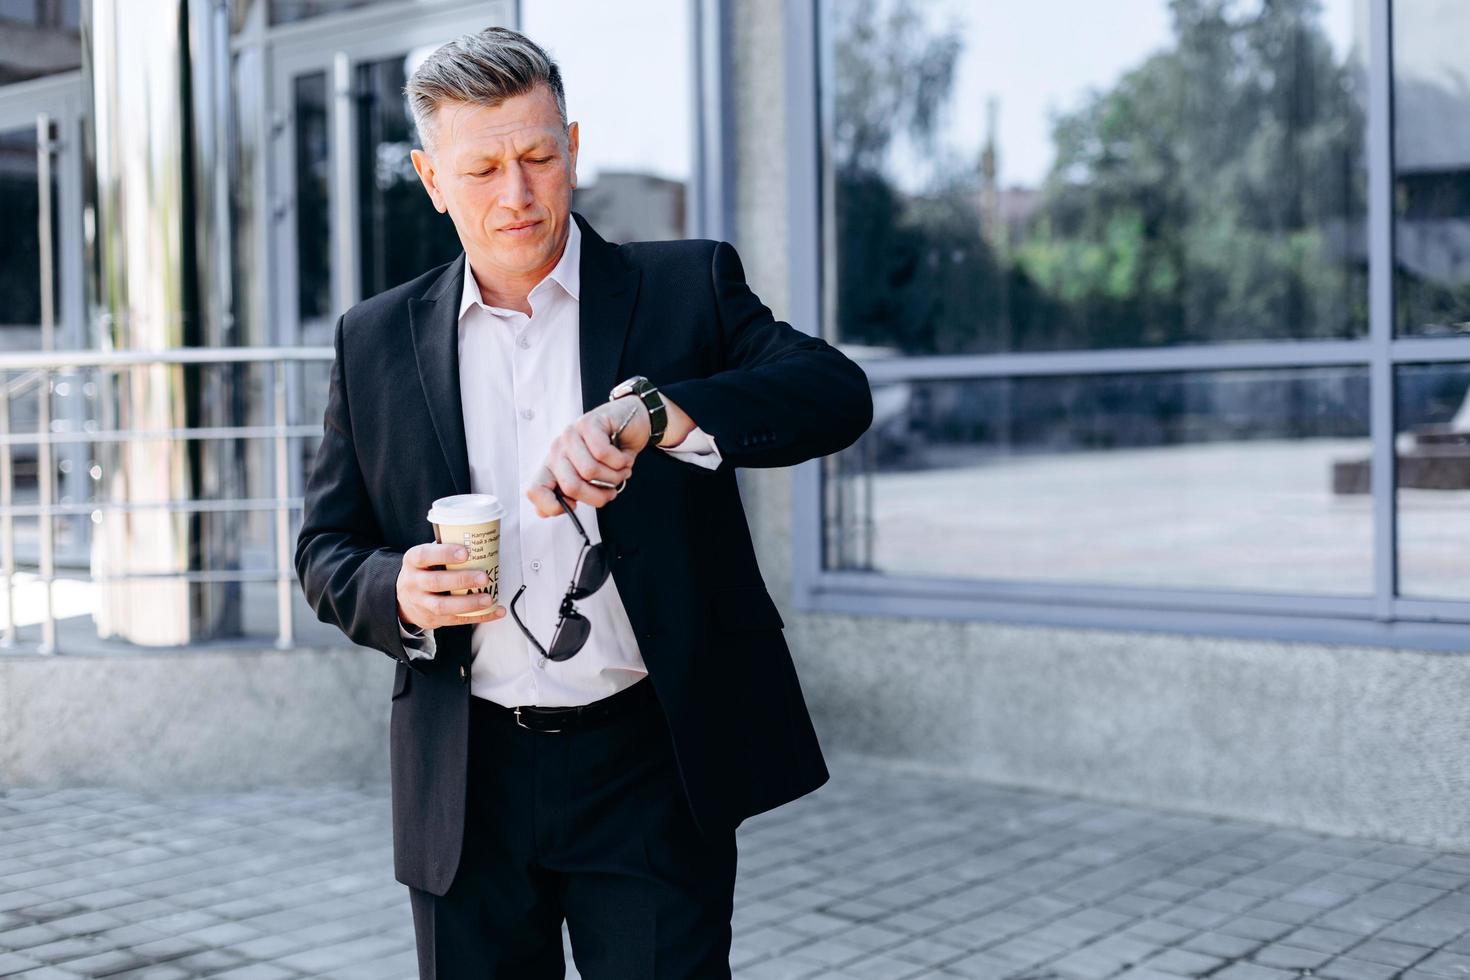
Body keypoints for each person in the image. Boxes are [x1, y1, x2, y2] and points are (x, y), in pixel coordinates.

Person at [294, 25, 872, 980]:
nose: (516, 195)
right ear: (430, 179)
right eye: (481, 169)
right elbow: (324, 549)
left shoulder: (687, 286)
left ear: (572, 143)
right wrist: (397, 589)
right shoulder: (374, 340)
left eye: (536, 156)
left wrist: (659, 415)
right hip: (463, 779)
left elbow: (834, 393)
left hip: (647, 766)